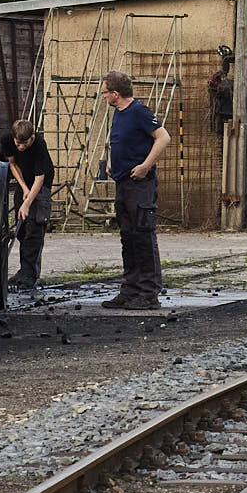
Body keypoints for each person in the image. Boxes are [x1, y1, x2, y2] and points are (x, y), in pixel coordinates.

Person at [102, 69, 167, 311]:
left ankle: (149, 293)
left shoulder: (139, 112)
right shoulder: (118, 114)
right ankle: (130, 289)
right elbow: (117, 140)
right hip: (122, 182)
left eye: (105, 93)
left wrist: (145, 166)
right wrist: (111, 160)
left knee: (143, 235)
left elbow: (163, 138)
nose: (104, 96)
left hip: (140, 184)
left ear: (116, 94)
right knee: (128, 237)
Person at [3, 120, 54, 295]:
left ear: (32, 137)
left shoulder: (39, 143)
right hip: (23, 181)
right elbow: (12, 164)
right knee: (22, 229)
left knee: (34, 227)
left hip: (41, 184)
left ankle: (29, 275)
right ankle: (24, 270)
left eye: (25, 143)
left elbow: (40, 178)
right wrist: (24, 189)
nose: (21, 147)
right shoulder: (7, 140)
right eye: (18, 143)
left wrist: (27, 203)